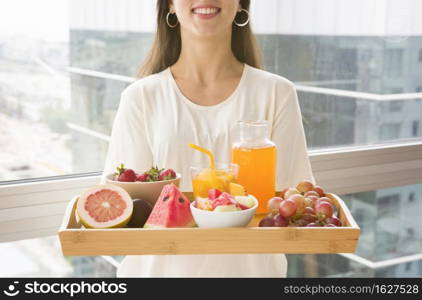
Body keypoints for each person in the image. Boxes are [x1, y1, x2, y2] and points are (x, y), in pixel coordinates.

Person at [101, 0, 313, 277]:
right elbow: (121, 203)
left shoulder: (277, 93)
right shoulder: (140, 97)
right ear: (170, 6)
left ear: (240, 5)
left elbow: (292, 201)